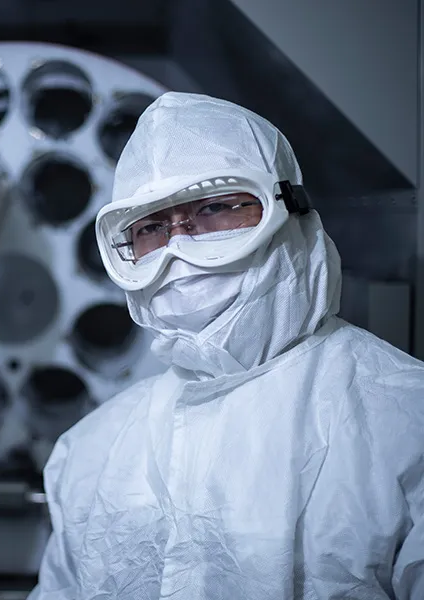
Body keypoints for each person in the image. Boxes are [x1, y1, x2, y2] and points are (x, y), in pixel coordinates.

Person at [30, 92, 424, 599]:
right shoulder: (90, 451)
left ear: (291, 211)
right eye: (150, 227)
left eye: (215, 207)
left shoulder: (406, 423)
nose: (179, 245)